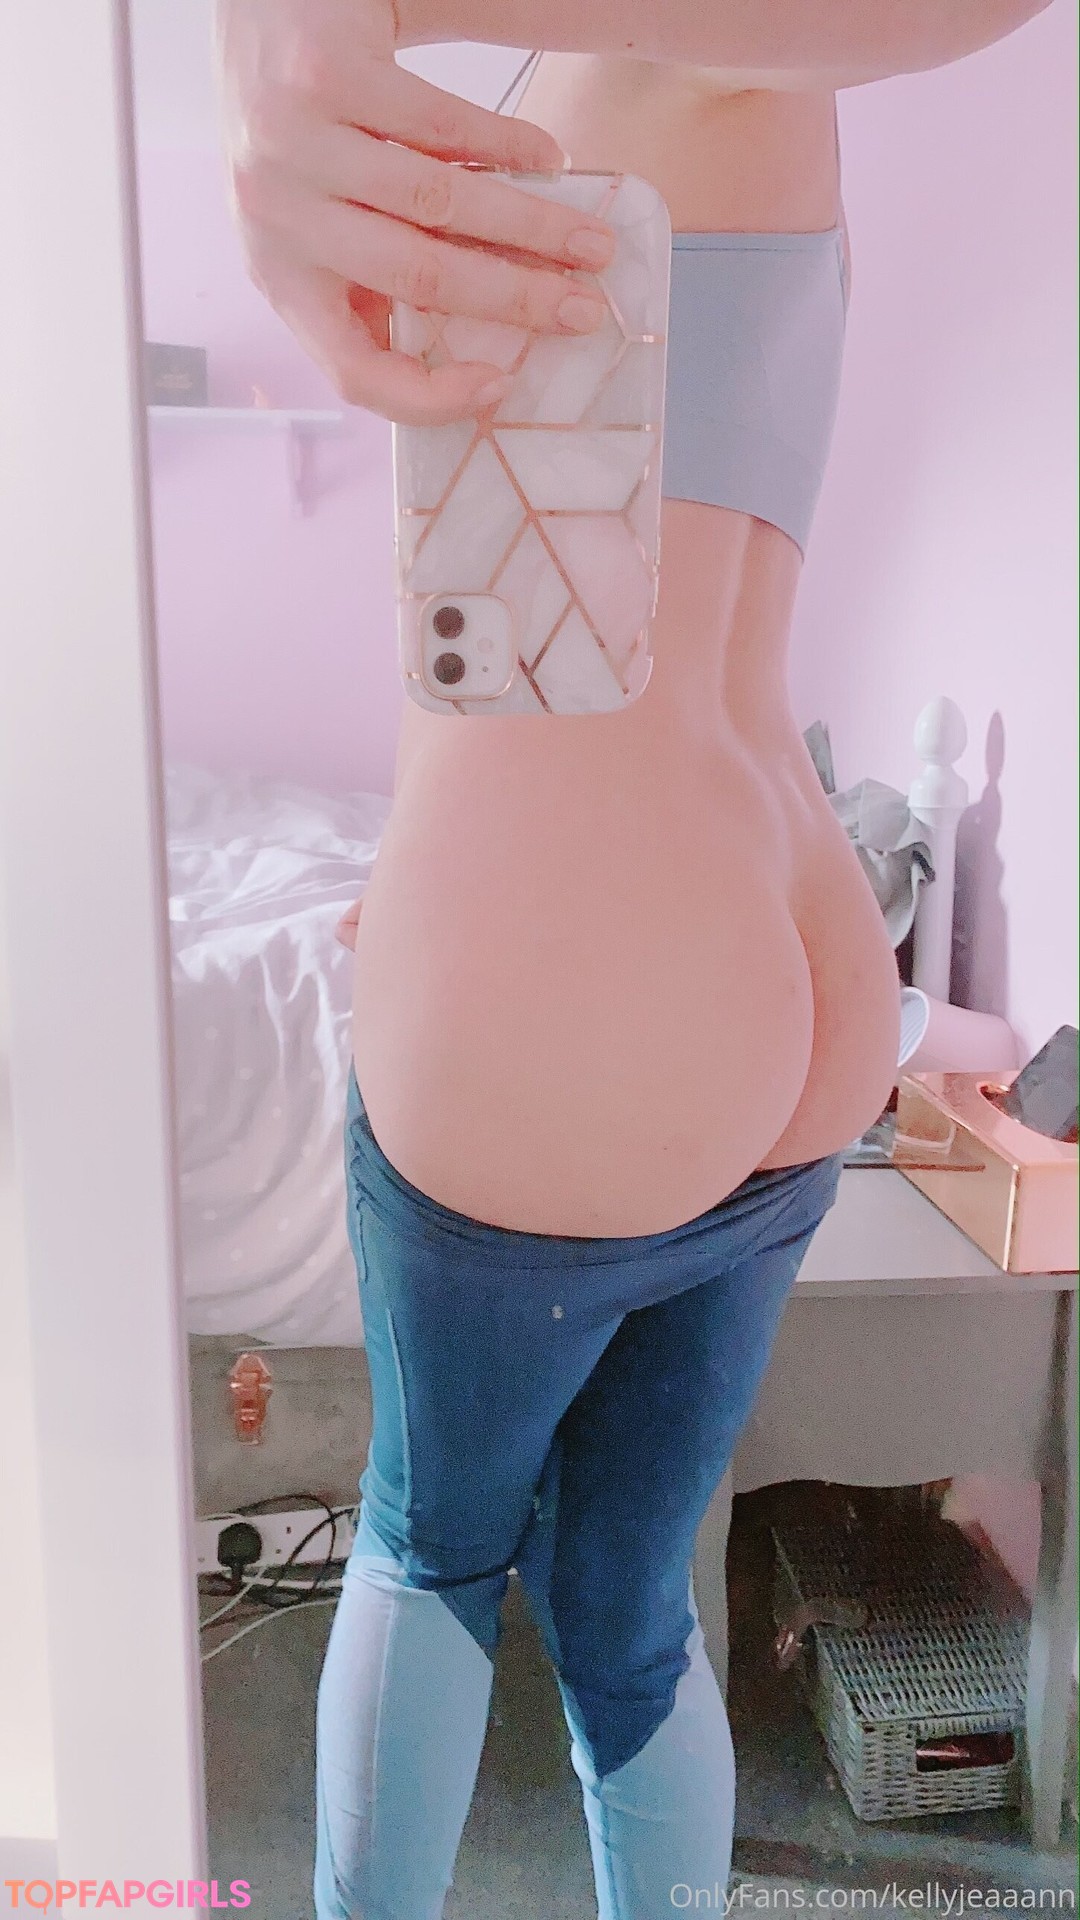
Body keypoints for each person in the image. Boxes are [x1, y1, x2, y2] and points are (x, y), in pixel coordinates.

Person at [216, 2, 1051, 1914]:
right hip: (799, 973)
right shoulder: (703, 80)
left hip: (593, 999)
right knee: (626, 1608)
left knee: (430, 1546)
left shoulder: (639, 54)